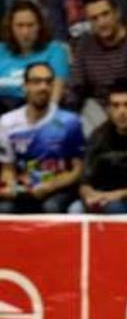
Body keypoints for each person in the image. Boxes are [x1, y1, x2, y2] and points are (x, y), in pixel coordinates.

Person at [0, 63, 84, 213]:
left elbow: (77, 170)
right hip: (24, 189)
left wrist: (51, 186)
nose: (43, 87)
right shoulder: (7, 122)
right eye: (36, 82)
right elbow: (8, 168)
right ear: (25, 86)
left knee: (51, 207)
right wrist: (11, 187)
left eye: (48, 82)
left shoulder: (70, 121)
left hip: (58, 187)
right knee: (5, 209)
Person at [68, 84, 127, 213]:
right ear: (108, 109)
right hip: (108, 198)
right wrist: (90, 195)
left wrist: (120, 194)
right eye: (115, 105)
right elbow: (85, 182)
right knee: (75, 208)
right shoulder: (98, 136)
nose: (121, 111)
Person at [66, 0, 127, 116]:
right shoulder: (85, 44)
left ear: (117, 13)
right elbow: (76, 86)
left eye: (105, 14)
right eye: (94, 18)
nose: (101, 22)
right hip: (99, 107)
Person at [0, 0, 69, 111]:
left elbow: (56, 91)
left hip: (34, 110)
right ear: (11, 28)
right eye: (20, 26)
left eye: (30, 25)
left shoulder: (54, 51)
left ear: (39, 26)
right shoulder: (1, 50)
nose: (25, 32)